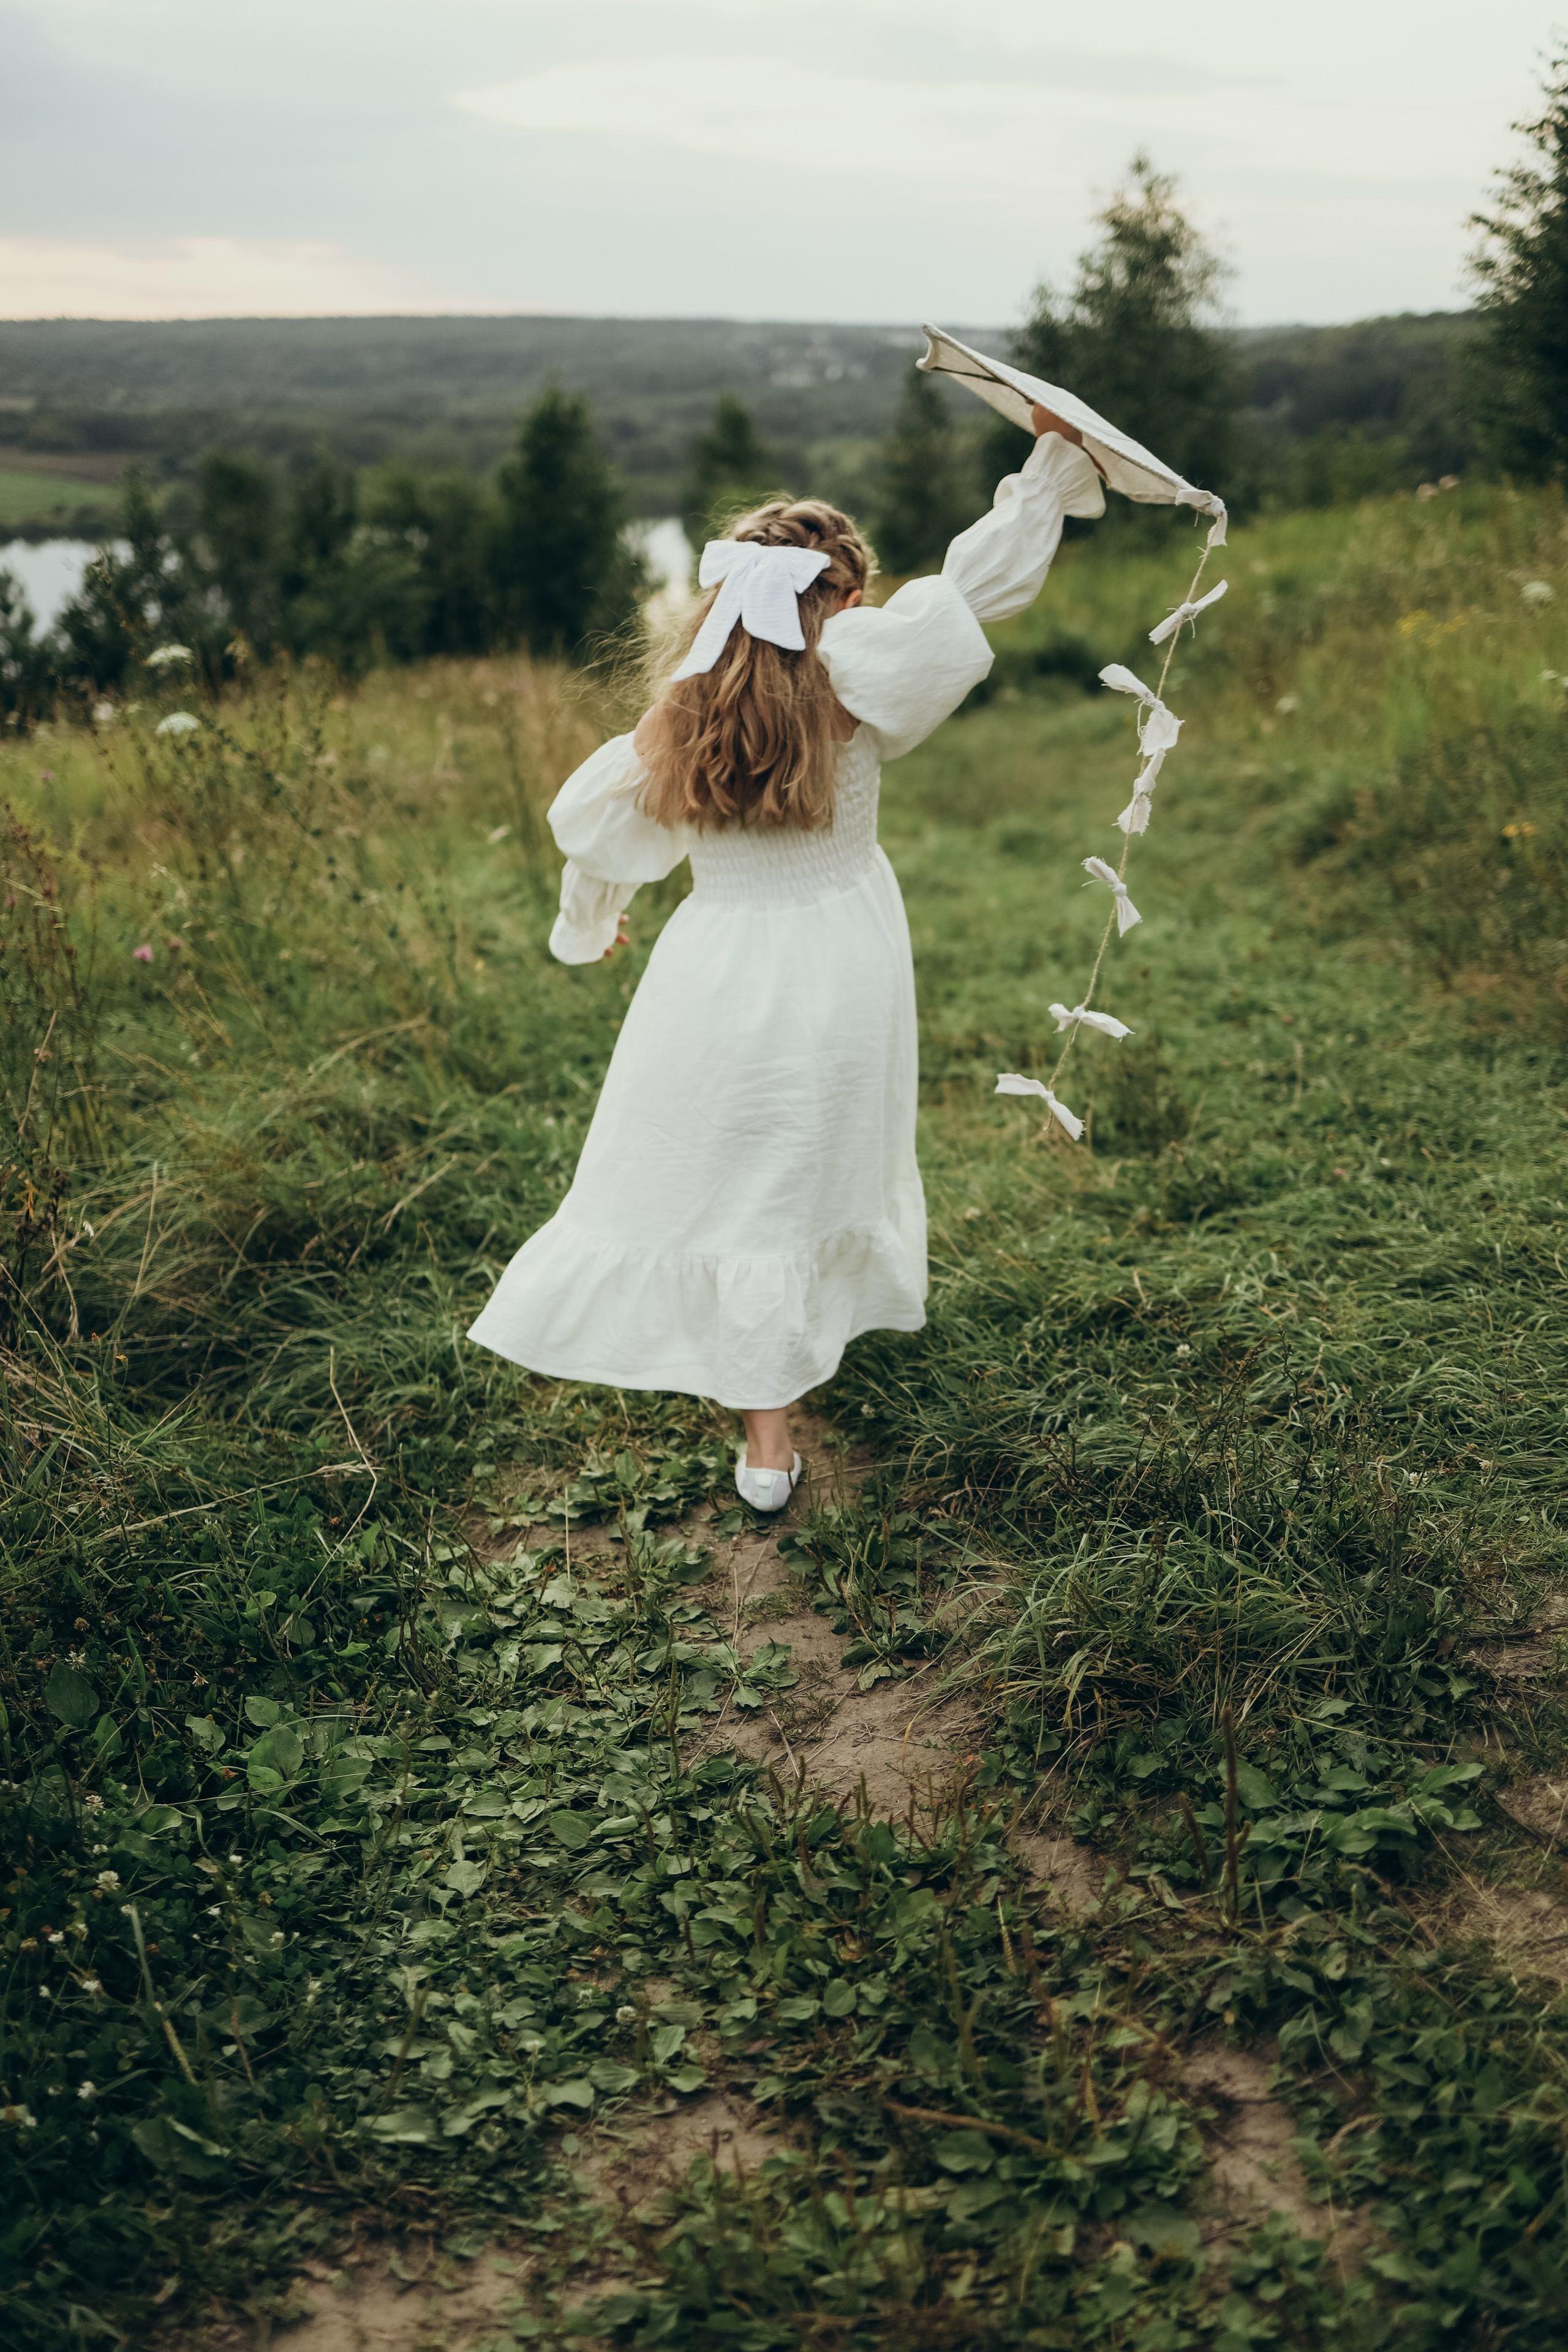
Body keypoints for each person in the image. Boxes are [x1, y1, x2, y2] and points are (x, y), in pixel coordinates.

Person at [468, 405, 1105, 1510]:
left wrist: (593, 918)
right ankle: (788, 1381)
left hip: (718, 967)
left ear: (725, 595)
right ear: (843, 598)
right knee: (815, 1154)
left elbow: (603, 832)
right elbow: (970, 592)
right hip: (844, 951)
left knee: (746, 1171)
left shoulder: (681, 712)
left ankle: (766, 1443)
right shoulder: (855, 671)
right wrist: (1047, 469)